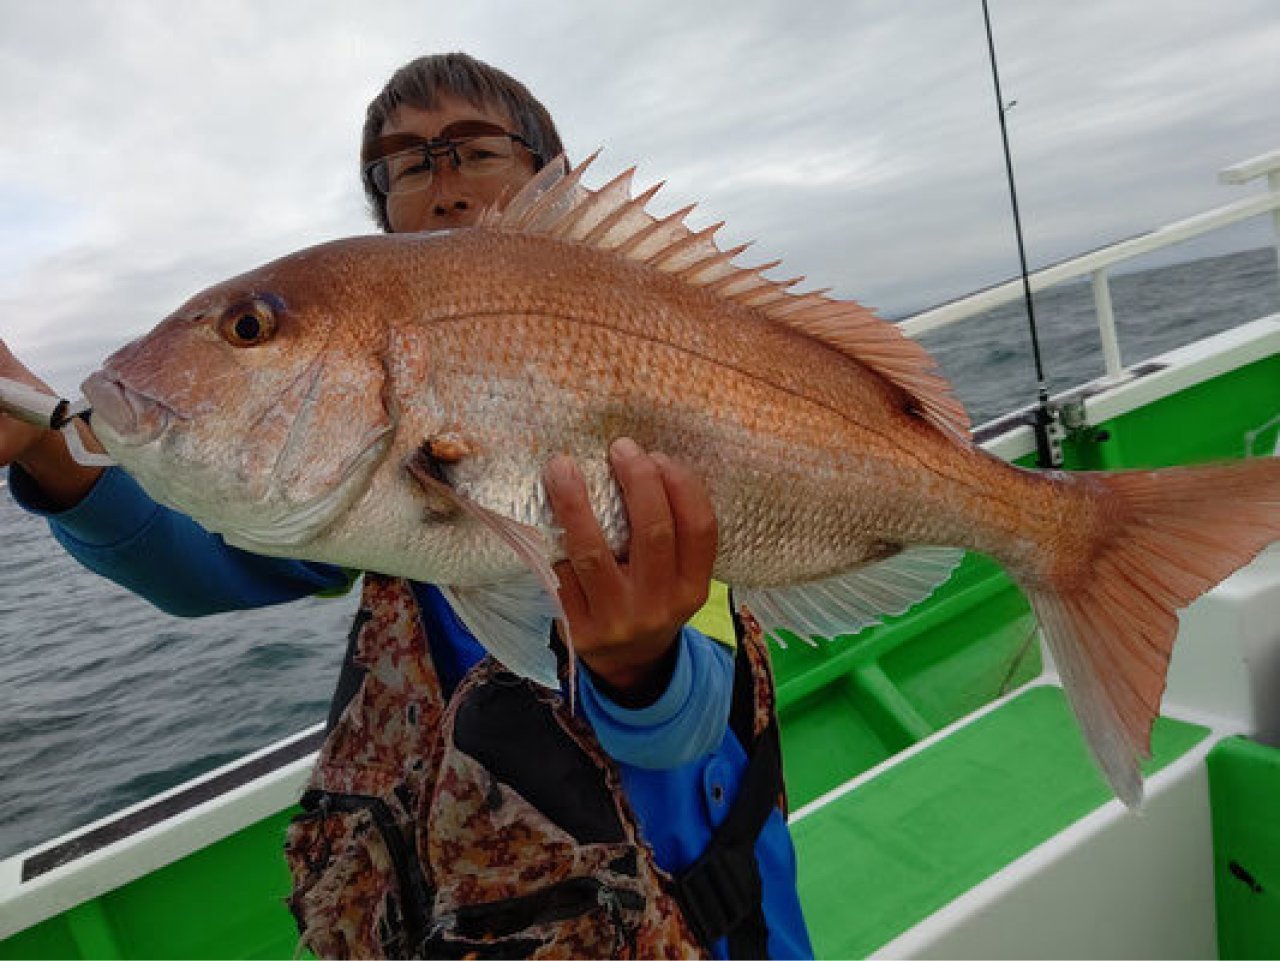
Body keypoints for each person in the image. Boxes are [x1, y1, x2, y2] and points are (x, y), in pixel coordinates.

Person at [1, 52, 812, 959]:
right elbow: (199, 563)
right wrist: (47, 445)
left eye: (475, 148)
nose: (444, 182)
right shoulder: (373, 489)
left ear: (554, 178)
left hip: (702, 921)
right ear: (385, 214)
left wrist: (640, 664)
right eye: (405, 163)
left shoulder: (659, 353)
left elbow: (699, 720)